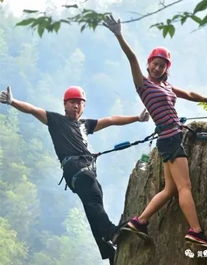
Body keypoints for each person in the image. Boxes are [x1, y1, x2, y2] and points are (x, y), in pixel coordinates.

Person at [103, 15, 207, 250]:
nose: (157, 67)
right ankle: (196, 232)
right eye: (154, 64)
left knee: (169, 189)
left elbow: (187, 93)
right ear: (148, 65)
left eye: (162, 65)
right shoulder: (143, 84)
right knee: (184, 187)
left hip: (169, 138)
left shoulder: (166, 86)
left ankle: (140, 221)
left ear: (167, 68)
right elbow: (132, 58)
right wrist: (119, 34)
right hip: (169, 138)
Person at [0, 85, 149, 265]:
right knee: (93, 196)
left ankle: (108, 250)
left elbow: (110, 120)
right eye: (72, 103)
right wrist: (12, 101)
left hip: (85, 170)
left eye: (79, 103)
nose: (76, 106)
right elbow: (33, 110)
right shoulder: (56, 121)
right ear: (65, 105)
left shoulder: (85, 125)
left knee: (93, 204)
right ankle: (111, 232)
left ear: (83, 106)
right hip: (76, 168)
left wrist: (138, 118)